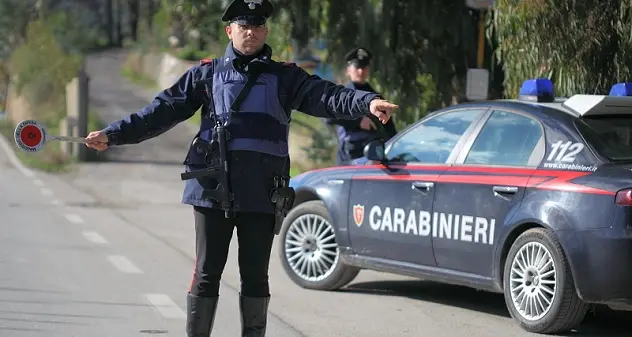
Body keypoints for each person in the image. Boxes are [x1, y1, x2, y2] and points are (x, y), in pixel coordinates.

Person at [84, 0, 398, 336]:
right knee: (207, 272)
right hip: (212, 191)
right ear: (229, 30)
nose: (251, 32)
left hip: (262, 192)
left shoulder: (285, 78)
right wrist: (114, 134)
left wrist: (367, 101)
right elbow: (160, 112)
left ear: (265, 30)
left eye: (257, 25)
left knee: (255, 277)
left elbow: (328, 96)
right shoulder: (206, 75)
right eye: (243, 25)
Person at [326, 47, 398, 165]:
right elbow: (329, 116)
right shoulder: (343, 93)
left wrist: (396, 146)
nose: (360, 71)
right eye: (357, 67)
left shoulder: (375, 96)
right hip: (350, 155)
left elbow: (389, 126)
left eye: (364, 68)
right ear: (348, 70)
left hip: (374, 154)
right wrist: (358, 121)